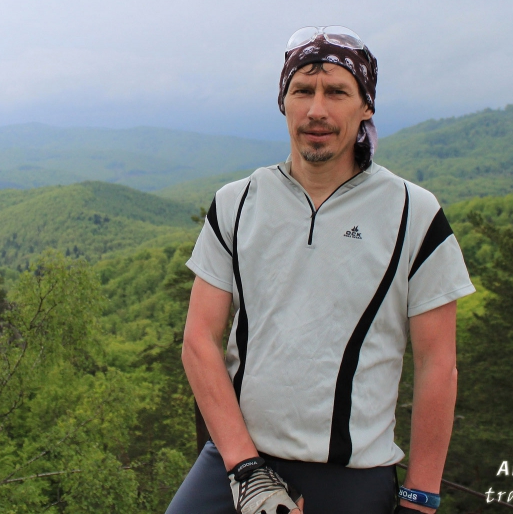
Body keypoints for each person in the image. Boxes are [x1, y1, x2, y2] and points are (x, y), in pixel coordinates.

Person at [166, 26, 474, 514]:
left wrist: (420, 497)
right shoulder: (237, 203)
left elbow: (438, 362)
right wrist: (246, 471)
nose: (316, 110)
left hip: (352, 476)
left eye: (336, 92)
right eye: (302, 90)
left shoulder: (414, 213)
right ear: (283, 102)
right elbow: (198, 340)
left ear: (365, 106)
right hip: (236, 462)